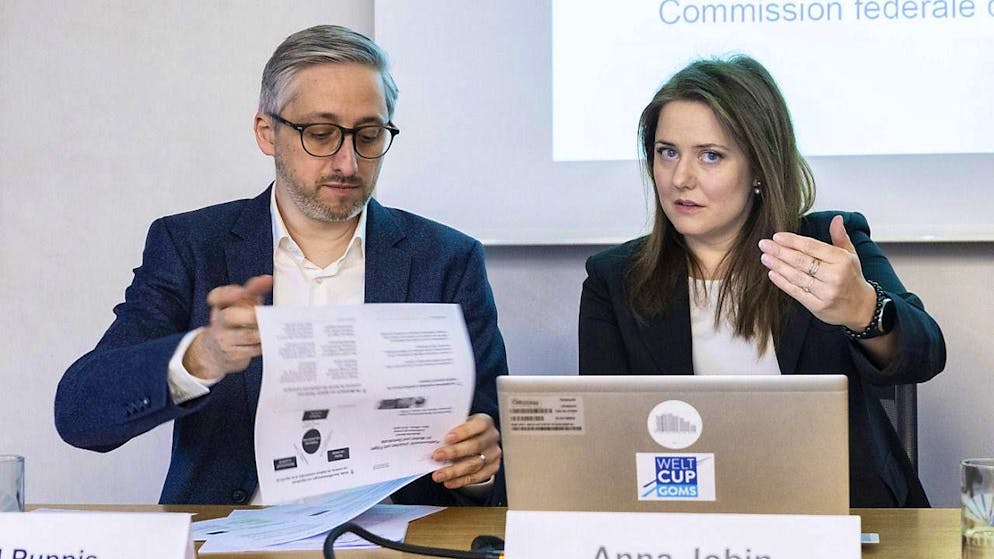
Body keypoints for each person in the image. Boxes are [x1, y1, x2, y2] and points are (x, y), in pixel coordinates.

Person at [55, 25, 506, 506]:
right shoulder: (192, 246)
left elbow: (496, 450)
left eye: (369, 135)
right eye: (321, 134)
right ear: (267, 133)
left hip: (392, 543)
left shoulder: (446, 259)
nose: (349, 163)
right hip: (233, 540)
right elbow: (81, 415)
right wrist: (200, 356)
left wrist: (479, 466)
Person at [578, 55, 945, 507]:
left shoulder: (826, 245)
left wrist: (863, 310)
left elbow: (924, 356)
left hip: (842, 513)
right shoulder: (614, 279)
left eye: (710, 156)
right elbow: (608, 441)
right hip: (681, 519)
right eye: (666, 152)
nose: (679, 178)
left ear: (758, 170)